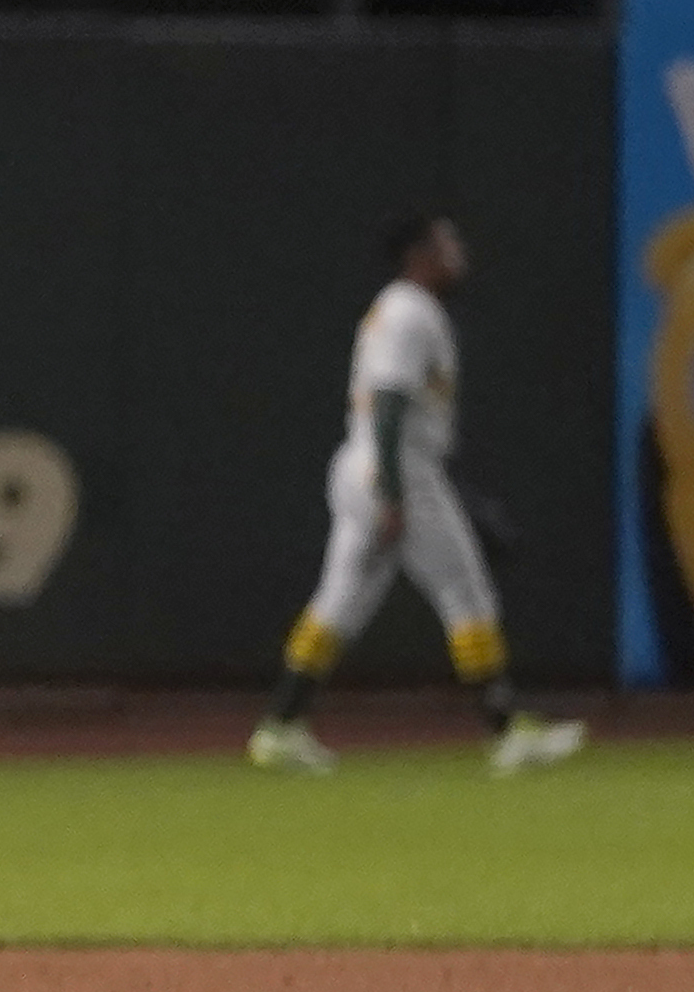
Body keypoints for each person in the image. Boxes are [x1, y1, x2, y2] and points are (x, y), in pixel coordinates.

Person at [248, 215, 588, 778]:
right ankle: (507, 732)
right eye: (447, 244)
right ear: (419, 255)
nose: (459, 252)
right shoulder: (409, 312)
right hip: (393, 469)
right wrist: (393, 490)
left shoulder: (403, 309)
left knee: (339, 603)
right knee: (466, 591)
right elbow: (387, 400)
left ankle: (280, 726)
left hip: (368, 467)